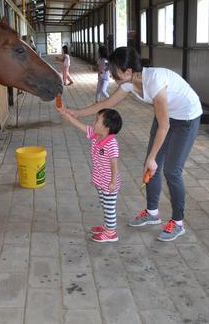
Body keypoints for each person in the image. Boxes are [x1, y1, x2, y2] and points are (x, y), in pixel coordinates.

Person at [67, 47, 202, 242]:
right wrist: (77, 113)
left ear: (128, 71)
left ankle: (178, 222)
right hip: (167, 116)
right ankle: (152, 212)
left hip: (187, 118)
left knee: (171, 170)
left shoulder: (154, 81)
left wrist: (153, 157)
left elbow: (164, 125)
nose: (112, 76)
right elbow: (107, 104)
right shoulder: (129, 83)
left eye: (115, 72)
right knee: (150, 165)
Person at [58, 106, 123, 243]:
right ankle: (107, 226)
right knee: (104, 204)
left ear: (106, 127)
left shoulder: (111, 144)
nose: (93, 123)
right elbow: (79, 125)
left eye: (97, 120)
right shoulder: (96, 135)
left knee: (109, 207)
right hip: (100, 181)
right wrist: (66, 114)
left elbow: (114, 164)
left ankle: (111, 233)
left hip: (108, 184)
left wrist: (113, 182)